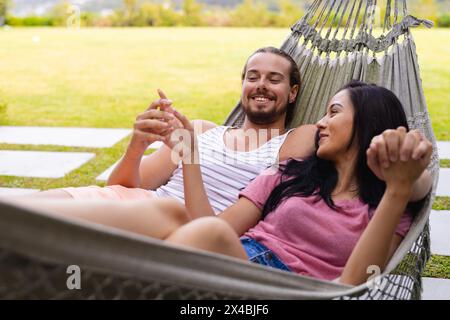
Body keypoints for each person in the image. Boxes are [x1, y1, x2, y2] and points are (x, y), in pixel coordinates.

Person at [6, 81, 433, 287]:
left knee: (204, 231)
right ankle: (18, 224)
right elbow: (218, 225)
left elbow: (350, 289)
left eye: (334, 112)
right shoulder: (288, 177)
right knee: (167, 209)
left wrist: (398, 187)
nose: (321, 121)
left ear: (368, 122)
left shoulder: (387, 204)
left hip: (283, 292)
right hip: (225, 265)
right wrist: (190, 155)